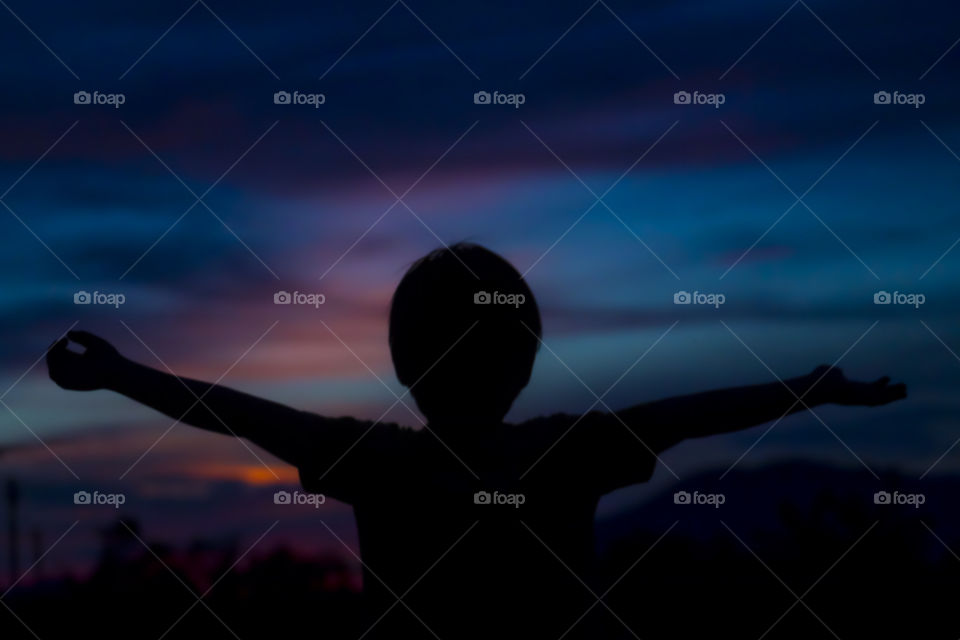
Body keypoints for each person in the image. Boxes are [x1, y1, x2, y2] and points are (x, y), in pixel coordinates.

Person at [47, 243, 906, 639]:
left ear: (404, 365)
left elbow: (233, 411)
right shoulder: (567, 453)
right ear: (526, 365)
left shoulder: (380, 463)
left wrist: (122, 375)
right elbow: (695, 411)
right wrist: (813, 390)